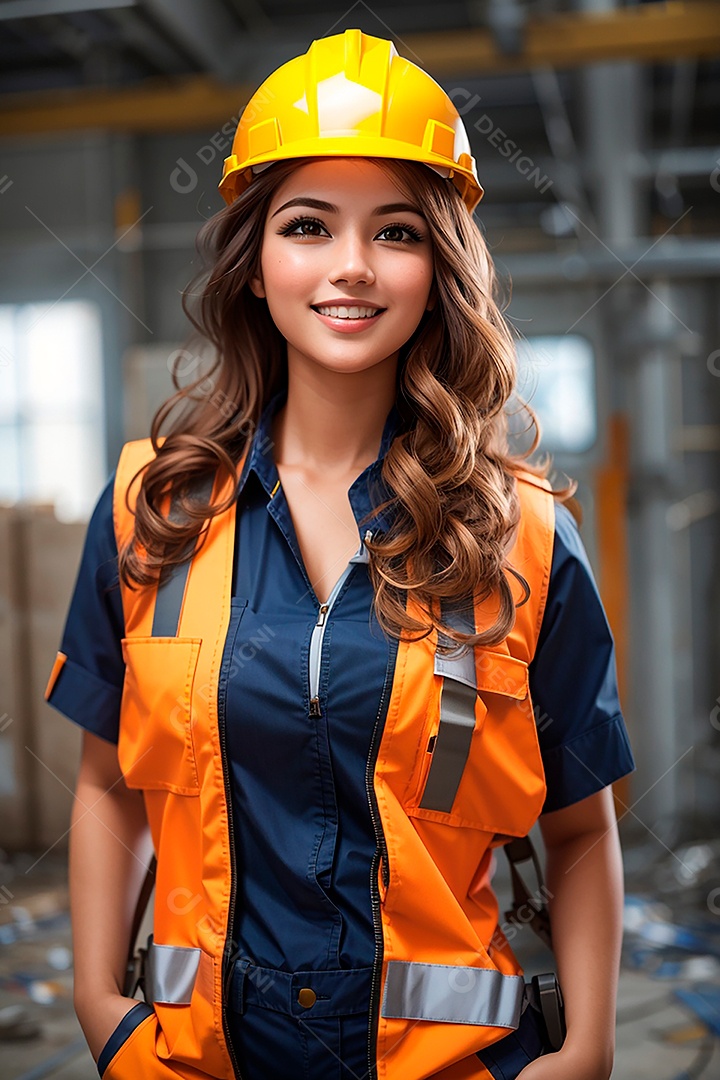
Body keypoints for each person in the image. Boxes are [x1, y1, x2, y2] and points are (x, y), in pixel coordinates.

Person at [45, 28, 636, 1080]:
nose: (352, 266)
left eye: (396, 231)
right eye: (308, 225)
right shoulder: (153, 513)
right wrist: (101, 1008)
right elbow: (107, 785)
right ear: (255, 261)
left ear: (439, 267)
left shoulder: (524, 536)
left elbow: (582, 830)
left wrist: (585, 1049)